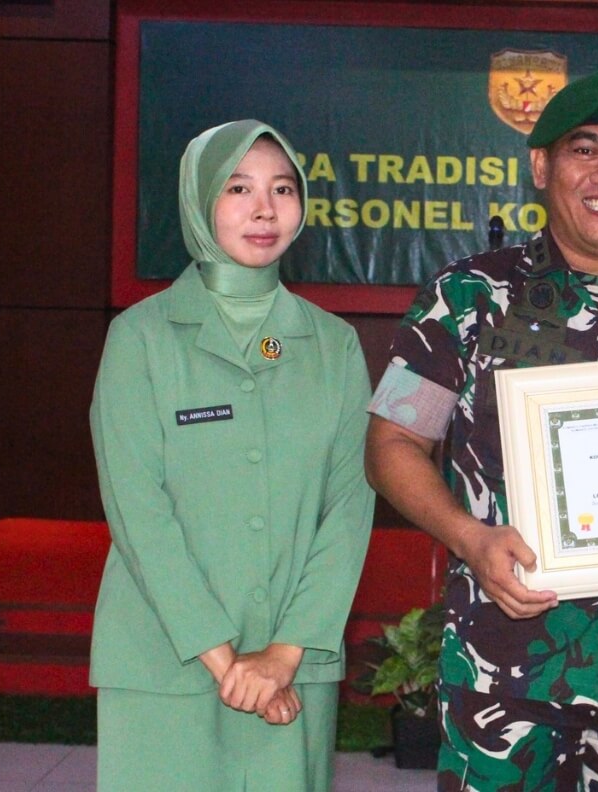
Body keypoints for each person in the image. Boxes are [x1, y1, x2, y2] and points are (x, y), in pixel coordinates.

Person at [364, 68, 598, 790]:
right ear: (541, 167)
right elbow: (392, 445)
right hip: (501, 673)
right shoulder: (464, 299)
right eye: (585, 149)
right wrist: (471, 539)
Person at [89, 119, 375, 791]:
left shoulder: (332, 345)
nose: (265, 209)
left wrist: (283, 654)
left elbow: (348, 509)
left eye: (283, 189)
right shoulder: (140, 338)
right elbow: (138, 513)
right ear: (198, 200)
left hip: (294, 666)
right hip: (163, 660)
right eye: (238, 188)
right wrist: (229, 664)